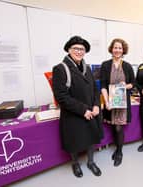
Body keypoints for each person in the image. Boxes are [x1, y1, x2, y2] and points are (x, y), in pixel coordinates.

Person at [52, 36, 103, 178]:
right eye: (76, 48)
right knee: (73, 141)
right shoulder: (60, 69)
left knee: (91, 138)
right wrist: (83, 110)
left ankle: (91, 162)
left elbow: (95, 90)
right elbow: (61, 97)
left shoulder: (87, 68)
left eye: (82, 49)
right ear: (69, 49)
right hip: (73, 113)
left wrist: (96, 105)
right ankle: (75, 163)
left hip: (91, 111)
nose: (79, 51)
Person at [100, 38, 135, 166]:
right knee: (114, 127)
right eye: (115, 47)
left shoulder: (127, 66)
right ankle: (117, 148)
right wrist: (107, 102)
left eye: (120, 48)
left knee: (119, 127)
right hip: (110, 101)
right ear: (111, 49)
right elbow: (103, 85)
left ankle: (119, 151)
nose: (117, 50)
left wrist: (125, 86)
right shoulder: (105, 65)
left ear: (123, 50)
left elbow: (134, 83)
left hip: (122, 102)